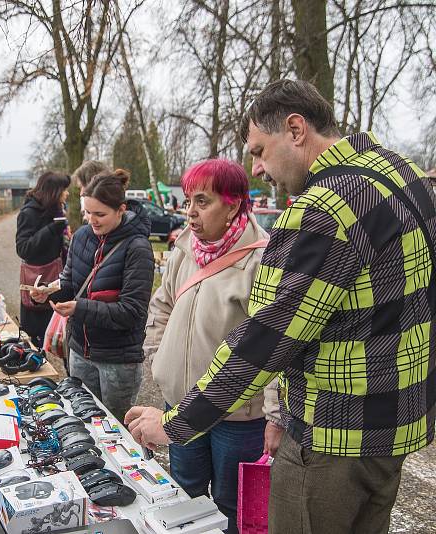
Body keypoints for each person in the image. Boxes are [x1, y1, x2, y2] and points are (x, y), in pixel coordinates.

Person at [126, 79, 436, 534]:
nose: (256, 168)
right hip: (396, 428)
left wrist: (174, 425)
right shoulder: (403, 174)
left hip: (331, 439)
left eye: (259, 150)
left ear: (295, 129)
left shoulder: (322, 211)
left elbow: (263, 342)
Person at [144, 159, 281, 533]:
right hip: (182, 405)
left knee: (230, 505)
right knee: (185, 494)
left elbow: (272, 345)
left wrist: (273, 414)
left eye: (202, 202)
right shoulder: (184, 248)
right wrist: (158, 359)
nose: (190, 212)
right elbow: (161, 306)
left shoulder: (261, 260)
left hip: (236, 417)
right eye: (188, 201)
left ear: (233, 204)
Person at [32, 169, 154, 421]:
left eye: (100, 214)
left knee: (116, 429)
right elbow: (70, 282)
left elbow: (131, 312)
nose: (92, 220)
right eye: (87, 212)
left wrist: (79, 309)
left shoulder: (137, 248)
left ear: (121, 209)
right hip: (79, 351)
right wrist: (48, 291)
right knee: (81, 421)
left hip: (118, 361)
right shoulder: (81, 237)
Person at [16, 172, 72, 347]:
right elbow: (23, 249)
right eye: (64, 189)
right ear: (54, 192)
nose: (67, 193)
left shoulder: (56, 210)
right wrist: (51, 229)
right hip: (38, 284)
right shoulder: (29, 213)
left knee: (60, 337)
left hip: (57, 283)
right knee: (36, 344)